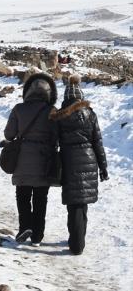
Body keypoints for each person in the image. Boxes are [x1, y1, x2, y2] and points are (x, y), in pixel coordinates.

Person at [50, 75, 108, 255]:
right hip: (89, 160)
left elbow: (54, 142)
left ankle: (76, 242)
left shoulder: (59, 116)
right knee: (83, 203)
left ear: (66, 98)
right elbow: (97, 142)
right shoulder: (90, 113)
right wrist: (103, 167)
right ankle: (78, 240)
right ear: (80, 97)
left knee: (73, 204)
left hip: (68, 161)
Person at [3, 73, 57, 246]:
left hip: (22, 158)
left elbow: (9, 134)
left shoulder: (19, 109)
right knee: (41, 198)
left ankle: (25, 226)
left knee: (23, 195)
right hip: (44, 159)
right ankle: (37, 236)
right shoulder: (51, 111)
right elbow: (57, 135)